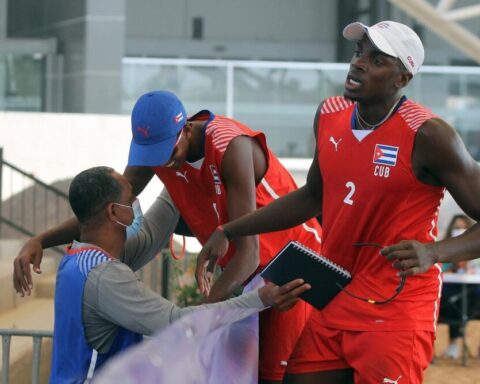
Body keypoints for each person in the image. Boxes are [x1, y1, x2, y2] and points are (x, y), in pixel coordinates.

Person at [197, 20, 480, 383]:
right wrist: (229, 230)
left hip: (398, 307)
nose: (358, 63)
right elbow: (313, 197)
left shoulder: (430, 135)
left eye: (377, 60)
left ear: (402, 79)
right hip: (337, 298)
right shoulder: (330, 114)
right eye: (360, 53)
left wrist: (435, 252)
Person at [124, 90, 323, 383]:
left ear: (186, 129)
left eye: (168, 153)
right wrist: (46, 241)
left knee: (274, 373)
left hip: (290, 259)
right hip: (247, 270)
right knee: (238, 368)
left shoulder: (231, 147)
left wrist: (195, 317)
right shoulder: (159, 149)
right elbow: (105, 205)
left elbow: (248, 254)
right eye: (153, 156)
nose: (163, 163)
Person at [49, 166, 309, 383]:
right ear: (114, 212)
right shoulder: (105, 276)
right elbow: (176, 322)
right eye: (131, 200)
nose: (136, 205)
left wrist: (180, 176)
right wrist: (259, 299)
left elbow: (151, 232)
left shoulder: (75, 261)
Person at [438, 214, 477, 359]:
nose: (460, 231)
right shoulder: (442, 250)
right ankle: (454, 343)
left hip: (473, 292)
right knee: (456, 299)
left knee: (465, 297)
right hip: (451, 294)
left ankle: (455, 344)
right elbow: (439, 270)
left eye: (463, 228)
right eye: (457, 228)